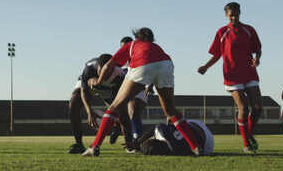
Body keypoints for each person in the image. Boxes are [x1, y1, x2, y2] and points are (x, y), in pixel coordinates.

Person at [82, 28, 200, 157]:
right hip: (166, 64)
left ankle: (94, 147)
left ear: (137, 37)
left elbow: (107, 66)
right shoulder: (156, 47)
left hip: (142, 64)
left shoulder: (132, 44)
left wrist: (99, 82)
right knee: (171, 110)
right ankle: (195, 147)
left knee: (115, 107)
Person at [198, 2, 262, 154]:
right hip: (232, 74)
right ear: (226, 15)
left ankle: (248, 133)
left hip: (249, 72)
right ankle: (247, 144)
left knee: (258, 107)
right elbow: (217, 54)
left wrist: (257, 58)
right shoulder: (222, 32)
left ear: (240, 13)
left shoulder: (249, 30)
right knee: (244, 107)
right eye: (230, 15)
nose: (233, 17)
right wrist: (206, 67)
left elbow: (258, 49)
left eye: (236, 14)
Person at [67, 54, 135, 154]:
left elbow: (121, 99)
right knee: (74, 103)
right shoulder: (90, 67)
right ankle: (79, 144)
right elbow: (84, 91)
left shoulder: (120, 75)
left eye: (108, 72)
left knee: (122, 112)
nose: (104, 75)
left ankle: (129, 144)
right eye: (102, 71)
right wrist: (89, 111)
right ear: (98, 67)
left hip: (110, 89)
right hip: (91, 86)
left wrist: (116, 115)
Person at [138, 120, 214, 156]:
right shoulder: (161, 130)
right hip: (195, 124)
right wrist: (138, 142)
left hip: (208, 143)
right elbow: (154, 129)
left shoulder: (176, 151)